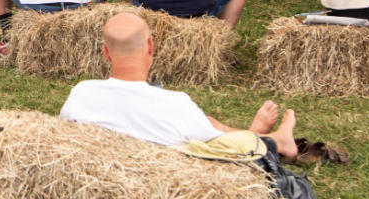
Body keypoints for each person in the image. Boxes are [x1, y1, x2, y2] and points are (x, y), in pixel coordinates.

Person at [59, 13, 298, 157]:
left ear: (106, 53)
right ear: (150, 47)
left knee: (206, 122)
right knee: (210, 128)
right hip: (162, 156)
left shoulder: (81, 93)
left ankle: (254, 132)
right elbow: (223, 147)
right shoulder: (175, 104)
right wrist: (255, 139)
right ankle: (275, 140)